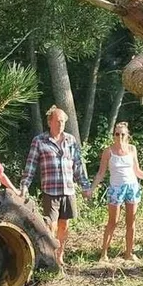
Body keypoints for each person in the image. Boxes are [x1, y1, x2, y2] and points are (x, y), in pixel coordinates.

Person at [21, 106, 92, 267]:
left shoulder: (71, 140)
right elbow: (31, 165)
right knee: (50, 224)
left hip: (68, 189)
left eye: (63, 121)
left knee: (64, 224)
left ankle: (60, 255)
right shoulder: (39, 141)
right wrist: (25, 185)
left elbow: (78, 165)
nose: (61, 124)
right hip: (50, 190)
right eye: (58, 121)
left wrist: (85, 186)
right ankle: (49, 256)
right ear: (49, 122)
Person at [90, 121, 143, 261]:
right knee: (113, 221)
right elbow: (101, 173)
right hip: (116, 188)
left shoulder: (132, 149)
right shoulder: (108, 152)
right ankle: (104, 254)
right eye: (117, 134)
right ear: (114, 135)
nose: (119, 136)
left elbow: (137, 171)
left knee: (131, 222)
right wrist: (92, 189)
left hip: (132, 187)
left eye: (122, 134)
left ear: (127, 135)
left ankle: (129, 253)